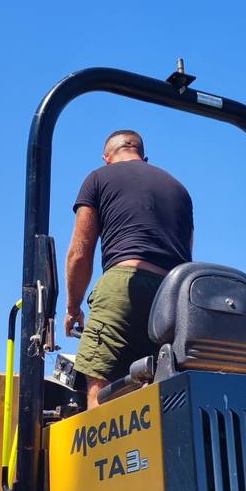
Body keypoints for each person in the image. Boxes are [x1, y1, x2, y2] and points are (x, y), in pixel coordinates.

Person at [64, 129, 194, 408]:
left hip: (123, 285)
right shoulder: (180, 190)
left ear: (106, 157)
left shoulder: (98, 177)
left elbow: (79, 253)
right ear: (143, 157)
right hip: (173, 296)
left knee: (100, 385)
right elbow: (188, 255)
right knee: (158, 389)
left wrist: (73, 308)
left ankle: (104, 451)